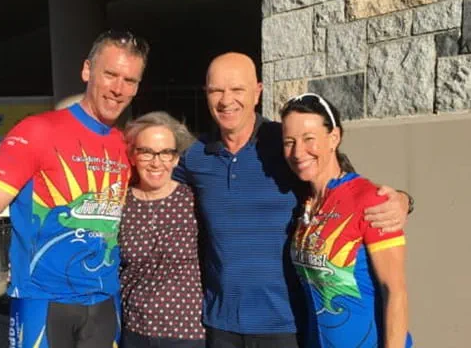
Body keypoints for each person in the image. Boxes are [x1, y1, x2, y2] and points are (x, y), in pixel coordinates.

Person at [173, 52, 413, 348]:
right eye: (216, 90)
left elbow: (346, 183)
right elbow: (149, 173)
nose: (226, 100)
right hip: (220, 325)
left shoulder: (284, 142)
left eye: (237, 89)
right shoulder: (195, 155)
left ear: (258, 91)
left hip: (286, 326)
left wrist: (402, 200)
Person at [0, 30, 149, 348]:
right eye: (110, 75)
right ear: (87, 71)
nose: (119, 89)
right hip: (44, 303)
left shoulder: (126, 145)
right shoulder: (36, 132)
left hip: (106, 305)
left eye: (130, 80)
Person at [281, 93, 413, 347]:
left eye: (309, 139)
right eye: (289, 141)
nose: (298, 152)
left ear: (334, 138)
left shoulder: (369, 199)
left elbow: (395, 291)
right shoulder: (305, 203)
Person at [119, 111, 205, 348]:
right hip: (135, 330)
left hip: (187, 333)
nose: (156, 162)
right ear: (133, 156)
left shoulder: (194, 201)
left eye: (166, 153)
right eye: (146, 152)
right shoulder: (120, 204)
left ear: (176, 158)